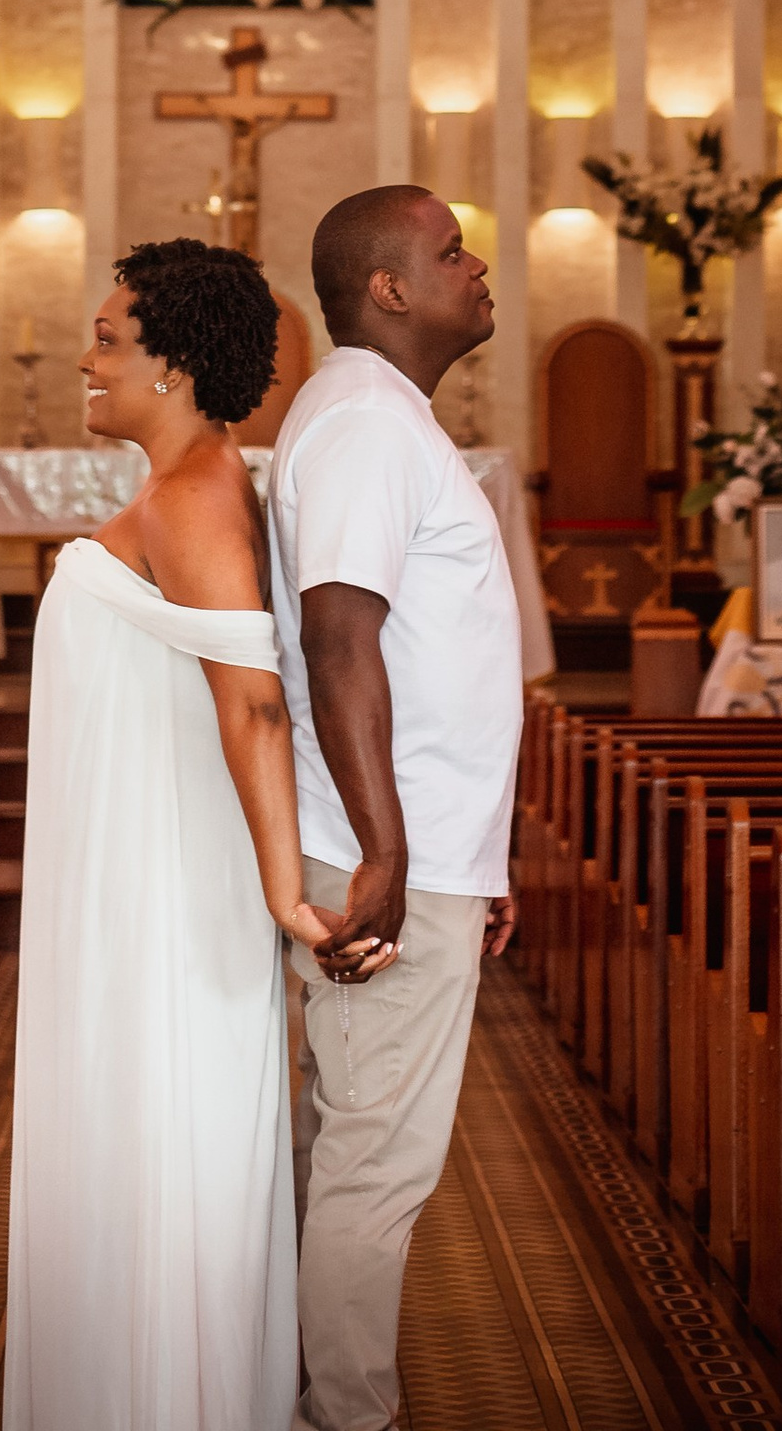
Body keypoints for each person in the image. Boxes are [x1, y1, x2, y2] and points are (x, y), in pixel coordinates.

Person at [6, 235, 342, 1431]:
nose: (85, 361)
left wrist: (284, 896)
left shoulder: (196, 493)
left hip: (164, 889)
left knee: (158, 1133)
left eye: (107, 340)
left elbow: (253, 703)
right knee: (132, 1135)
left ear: (177, 362)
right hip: (129, 867)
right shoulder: (182, 484)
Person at [269, 189, 524, 1431]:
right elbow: (339, 636)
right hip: (388, 858)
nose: (476, 268)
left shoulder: (383, 416)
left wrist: (474, 855)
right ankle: (345, 1419)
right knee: (377, 1165)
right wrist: (387, 850)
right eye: (450, 252)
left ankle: (320, 1399)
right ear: (388, 288)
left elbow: (429, 657)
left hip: (421, 849)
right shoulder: (368, 422)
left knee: (358, 1151)